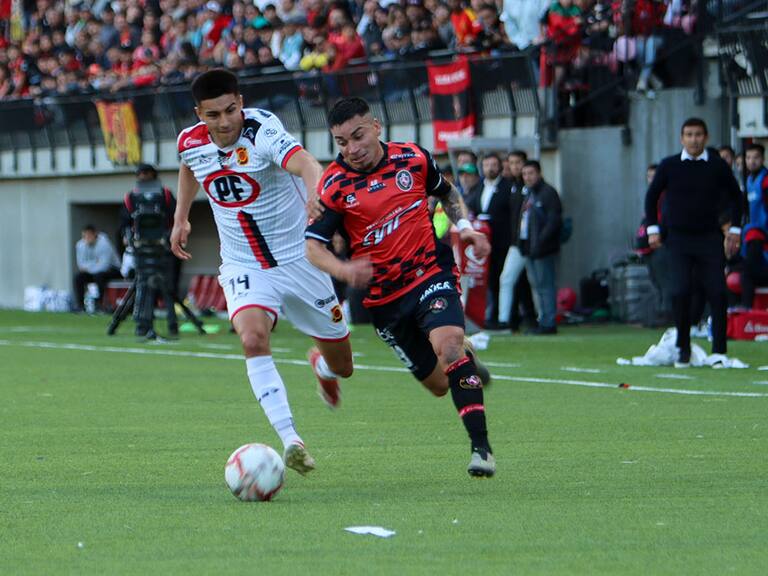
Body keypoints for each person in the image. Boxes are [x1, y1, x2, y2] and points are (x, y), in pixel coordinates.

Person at [170, 69, 354, 476]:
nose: (225, 122)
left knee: (342, 364)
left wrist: (315, 199)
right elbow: (189, 166)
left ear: (241, 101)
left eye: (231, 110)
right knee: (253, 339)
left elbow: (307, 163)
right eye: (213, 115)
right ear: (200, 114)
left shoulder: (262, 130)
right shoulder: (190, 141)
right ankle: (291, 440)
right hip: (243, 263)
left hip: (299, 262)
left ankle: (322, 368)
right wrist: (181, 216)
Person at [305, 97, 497, 477]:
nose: (352, 149)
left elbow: (447, 193)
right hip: (384, 301)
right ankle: (464, 362)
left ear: (376, 127)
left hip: (429, 273)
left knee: (449, 346)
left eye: (358, 136)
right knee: (441, 384)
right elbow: (313, 247)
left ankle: (482, 451)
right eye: (342, 143)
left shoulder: (413, 158)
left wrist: (465, 228)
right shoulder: (333, 185)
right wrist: (344, 271)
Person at [644, 118, 742, 368]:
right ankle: (682, 348)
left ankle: (719, 350)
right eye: (689, 134)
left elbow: (736, 196)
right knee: (679, 291)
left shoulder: (717, 166)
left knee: (718, 293)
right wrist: (653, 228)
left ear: (706, 137)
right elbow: (652, 195)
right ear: (681, 138)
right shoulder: (670, 165)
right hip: (678, 239)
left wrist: (736, 229)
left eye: (698, 134)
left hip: (709, 238)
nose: (694, 139)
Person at [119, 163, 180, 338]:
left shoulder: (165, 195)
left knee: (167, 286)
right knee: (143, 285)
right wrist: (129, 237)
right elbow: (124, 222)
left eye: (147, 174)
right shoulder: (131, 197)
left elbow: (175, 217)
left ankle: (172, 323)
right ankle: (142, 323)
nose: (144, 177)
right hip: (141, 248)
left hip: (163, 248)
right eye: (141, 174)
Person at [466, 153, 512, 328]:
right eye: (487, 165)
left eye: (493, 165)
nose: (490, 168)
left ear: (500, 167)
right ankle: (489, 316)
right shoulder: (478, 187)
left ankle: (506, 317)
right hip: (482, 242)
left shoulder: (508, 187)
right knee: (488, 280)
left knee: (502, 279)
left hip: (502, 241)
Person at [517, 160, 562, 334]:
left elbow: (553, 222)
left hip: (543, 249)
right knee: (537, 286)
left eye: (531, 173)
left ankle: (549, 322)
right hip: (529, 248)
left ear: (539, 174)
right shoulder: (528, 193)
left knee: (546, 285)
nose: (527, 177)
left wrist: (541, 243)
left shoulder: (548, 193)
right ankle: (543, 320)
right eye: (525, 174)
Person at [498, 150, 537, 332]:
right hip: (516, 243)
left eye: (518, 163)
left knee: (534, 282)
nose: (515, 167)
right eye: (511, 163)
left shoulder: (530, 188)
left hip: (529, 243)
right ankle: (506, 319)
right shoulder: (511, 186)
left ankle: (537, 318)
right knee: (509, 279)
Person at [740, 143, 768, 308]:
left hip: (760, 234)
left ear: (763, 159)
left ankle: (746, 308)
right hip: (753, 233)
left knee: (748, 271)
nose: (752, 161)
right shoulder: (749, 180)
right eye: (748, 158)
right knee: (747, 271)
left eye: (756, 158)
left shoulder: (765, 181)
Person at [73, 224, 121, 312]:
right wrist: (95, 264)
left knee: (99, 276)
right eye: (84, 236)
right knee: (78, 277)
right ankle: (80, 306)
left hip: (113, 269)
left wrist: (89, 266)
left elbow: (104, 266)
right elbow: (81, 265)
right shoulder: (80, 245)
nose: (87, 238)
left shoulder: (104, 243)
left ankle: (101, 304)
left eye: (89, 235)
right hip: (95, 272)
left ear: (95, 234)